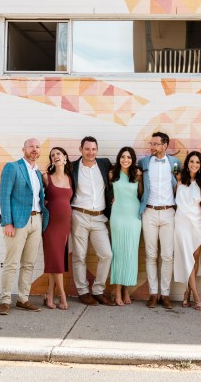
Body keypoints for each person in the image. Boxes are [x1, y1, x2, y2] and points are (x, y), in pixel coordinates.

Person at [0, 138, 49, 315]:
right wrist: (7, 222)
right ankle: (5, 300)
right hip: (17, 222)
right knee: (12, 263)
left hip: (36, 220)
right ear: (23, 149)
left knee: (28, 263)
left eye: (37, 147)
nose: (34, 149)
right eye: (31, 146)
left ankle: (23, 299)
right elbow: (4, 196)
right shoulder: (13, 167)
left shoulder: (37, 173)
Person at [138, 132, 181, 309]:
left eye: (156, 144)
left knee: (167, 256)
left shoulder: (175, 163)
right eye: (151, 143)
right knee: (151, 255)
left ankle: (165, 294)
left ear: (165, 146)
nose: (152, 147)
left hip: (169, 212)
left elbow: (179, 184)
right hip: (149, 211)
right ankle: (153, 294)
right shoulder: (144, 163)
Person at [70, 136, 115, 306]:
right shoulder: (72, 167)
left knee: (106, 254)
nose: (91, 152)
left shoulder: (104, 164)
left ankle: (98, 291)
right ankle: (83, 291)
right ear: (81, 149)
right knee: (79, 256)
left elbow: (119, 176)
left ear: (97, 150)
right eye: (87, 149)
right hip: (79, 215)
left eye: (94, 149)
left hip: (99, 218)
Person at [173, 151, 201, 311]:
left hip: (197, 222)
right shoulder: (179, 178)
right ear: (187, 163)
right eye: (191, 161)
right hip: (182, 220)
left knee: (195, 256)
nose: (194, 165)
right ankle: (196, 295)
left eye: (197, 162)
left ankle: (187, 292)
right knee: (187, 257)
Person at [109, 146, 143, 306]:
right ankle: (117, 291)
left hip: (133, 217)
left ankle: (126, 290)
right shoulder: (112, 174)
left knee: (130, 253)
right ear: (119, 158)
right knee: (118, 253)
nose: (126, 160)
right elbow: (107, 193)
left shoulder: (137, 174)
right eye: (123, 156)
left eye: (129, 157)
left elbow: (141, 194)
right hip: (117, 216)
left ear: (133, 159)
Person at [41, 147, 73, 310]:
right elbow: (36, 195)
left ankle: (49, 294)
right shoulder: (46, 177)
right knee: (56, 260)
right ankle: (62, 295)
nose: (55, 156)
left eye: (58, 153)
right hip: (50, 225)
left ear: (65, 157)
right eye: (52, 155)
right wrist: (43, 203)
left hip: (65, 225)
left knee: (57, 261)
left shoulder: (70, 178)